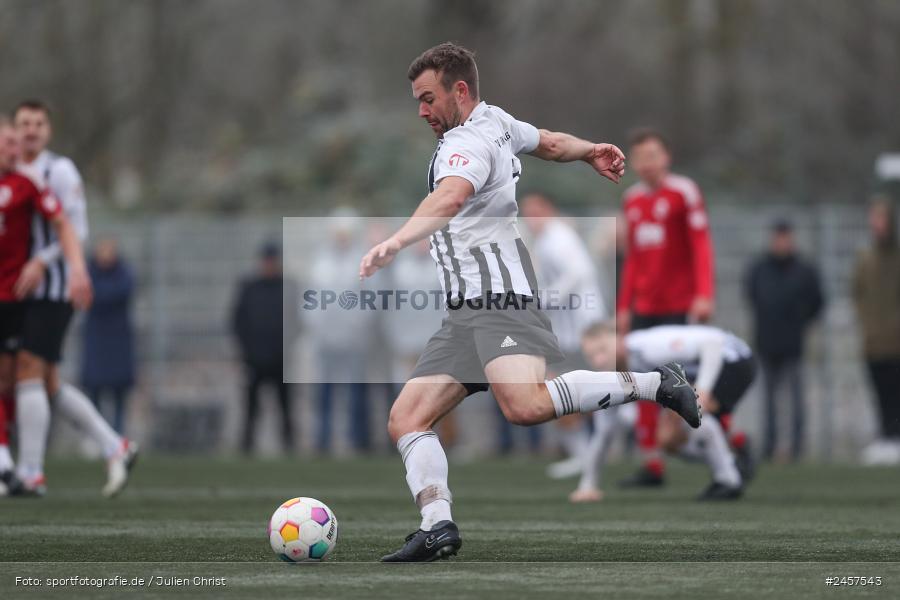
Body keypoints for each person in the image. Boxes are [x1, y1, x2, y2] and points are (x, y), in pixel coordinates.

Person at [357, 43, 700, 562]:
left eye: (428, 99)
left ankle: (656, 382)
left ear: (460, 90)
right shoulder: (496, 121)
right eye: (417, 101)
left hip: (501, 300)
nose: (422, 111)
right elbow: (550, 142)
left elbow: (449, 196)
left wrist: (397, 239)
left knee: (527, 405)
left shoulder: (464, 144)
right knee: (406, 419)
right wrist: (589, 151)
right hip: (467, 312)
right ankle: (436, 526)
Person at [11, 101, 137, 498]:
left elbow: (75, 228)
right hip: (17, 291)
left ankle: (30, 472)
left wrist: (44, 263)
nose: (31, 130)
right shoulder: (10, 172)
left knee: (28, 368)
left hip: (53, 290)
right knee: (45, 381)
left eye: (38, 123)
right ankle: (114, 444)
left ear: (49, 129)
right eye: (24, 123)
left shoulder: (59, 170)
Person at [616, 128, 715, 488]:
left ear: (666, 157)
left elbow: (701, 246)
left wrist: (704, 293)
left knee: (692, 383)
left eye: (652, 155)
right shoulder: (631, 200)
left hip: (679, 307)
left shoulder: (684, 193)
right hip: (644, 307)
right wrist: (623, 305)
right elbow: (631, 261)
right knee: (640, 384)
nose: (646, 163)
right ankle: (652, 463)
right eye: (640, 157)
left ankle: (731, 445)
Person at [0, 117, 92, 495]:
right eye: (7, 141)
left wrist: (77, 269)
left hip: (12, 300)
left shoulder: (28, 184)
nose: (14, 147)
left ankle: (16, 469)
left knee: (15, 380)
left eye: (14, 141)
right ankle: (9, 468)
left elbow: (66, 225)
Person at [574, 322, 756, 503]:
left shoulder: (647, 348)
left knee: (689, 411)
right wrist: (588, 485)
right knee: (668, 439)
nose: (598, 361)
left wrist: (703, 390)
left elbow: (713, 344)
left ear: (618, 339)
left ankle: (728, 479)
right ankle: (732, 463)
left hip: (733, 359)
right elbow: (603, 433)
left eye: (602, 350)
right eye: (591, 356)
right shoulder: (611, 378)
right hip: (706, 367)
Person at [521, 192, 606, 477]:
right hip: (568, 331)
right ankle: (583, 455)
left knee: (566, 388)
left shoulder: (558, 236)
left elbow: (580, 272)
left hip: (582, 329)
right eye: (526, 213)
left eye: (535, 212)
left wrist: (547, 298)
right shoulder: (546, 239)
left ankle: (590, 453)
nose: (530, 219)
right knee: (561, 389)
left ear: (549, 209)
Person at [745, 217, 824, 462]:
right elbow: (751, 296)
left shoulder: (805, 270)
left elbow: (817, 302)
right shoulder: (759, 268)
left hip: (793, 344)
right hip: (766, 343)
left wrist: (800, 320)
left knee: (797, 398)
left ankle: (797, 447)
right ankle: (769, 446)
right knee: (768, 400)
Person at [232, 242, 298, 453]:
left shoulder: (286, 287)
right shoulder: (249, 287)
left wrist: (286, 347)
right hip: (255, 359)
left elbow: (296, 321)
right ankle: (247, 445)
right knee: (251, 408)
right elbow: (238, 321)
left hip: (280, 359)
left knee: (285, 407)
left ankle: (289, 445)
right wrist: (246, 351)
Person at [852, 197, 900, 465]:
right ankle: (885, 437)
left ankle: (896, 436)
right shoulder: (865, 259)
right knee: (879, 391)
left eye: (881, 219)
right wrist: (867, 323)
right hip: (873, 341)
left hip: (896, 342)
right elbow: (856, 294)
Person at [80, 238, 136, 434]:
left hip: (119, 343)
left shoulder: (124, 274)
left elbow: (117, 291)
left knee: (119, 395)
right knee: (94, 393)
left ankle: (117, 436)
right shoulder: (88, 273)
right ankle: (96, 436)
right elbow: (88, 294)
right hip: (96, 341)